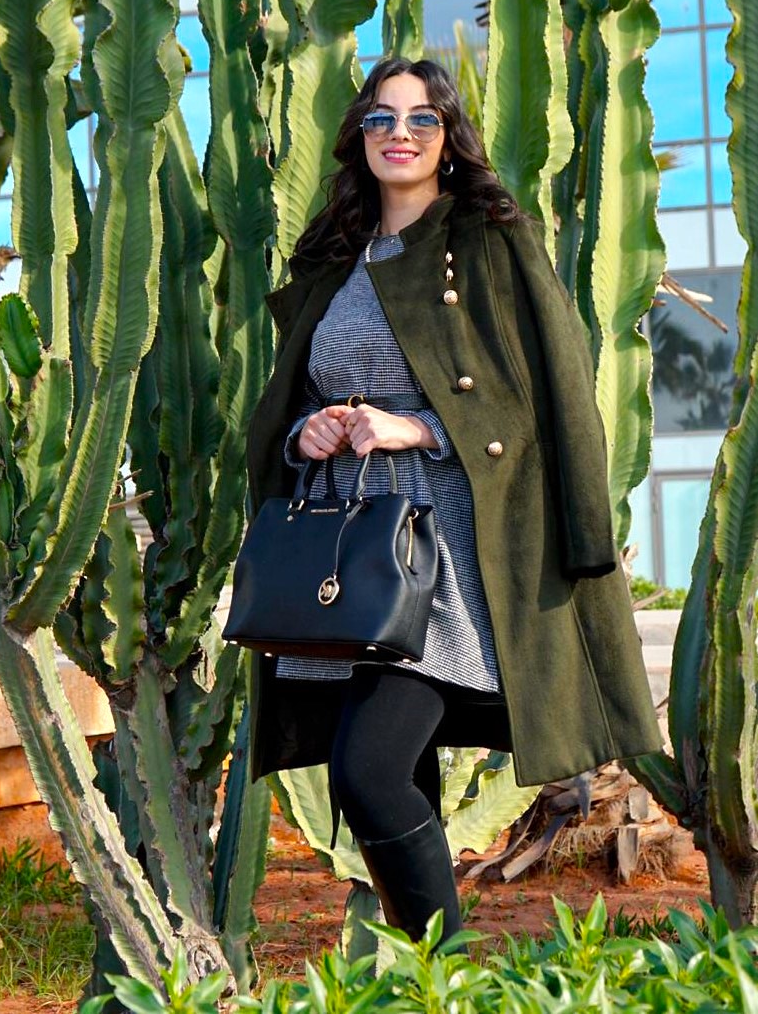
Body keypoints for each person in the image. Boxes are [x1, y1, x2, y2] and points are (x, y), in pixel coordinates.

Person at [245, 57, 662, 944]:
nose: (399, 134)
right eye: (381, 118)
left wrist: (417, 427)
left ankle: (447, 968)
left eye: (420, 119)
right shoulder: (334, 258)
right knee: (395, 771)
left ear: (447, 139)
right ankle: (428, 974)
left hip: (443, 546)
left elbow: (541, 394)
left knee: (368, 771)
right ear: (359, 138)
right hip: (347, 545)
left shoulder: (487, 242)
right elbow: (293, 396)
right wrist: (307, 431)